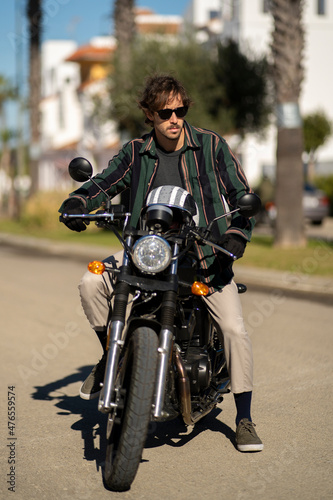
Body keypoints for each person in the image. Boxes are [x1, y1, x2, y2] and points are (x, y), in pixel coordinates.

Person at [59, 74, 263, 452]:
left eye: (180, 110)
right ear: (149, 114)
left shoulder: (210, 145)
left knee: (234, 328)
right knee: (91, 282)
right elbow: (104, 184)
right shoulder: (137, 151)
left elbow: (242, 196)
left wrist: (235, 234)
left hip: (203, 253)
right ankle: (112, 354)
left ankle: (245, 417)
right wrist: (78, 203)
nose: (175, 118)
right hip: (146, 248)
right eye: (165, 112)